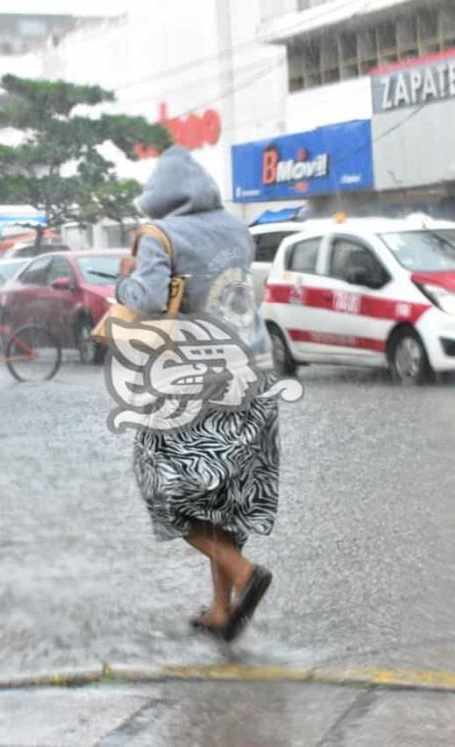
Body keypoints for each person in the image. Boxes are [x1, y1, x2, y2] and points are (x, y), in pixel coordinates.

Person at [116, 146, 277, 642]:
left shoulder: (158, 235)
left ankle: (243, 571)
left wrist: (126, 279)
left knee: (167, 492)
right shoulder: (235, 228)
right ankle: (220, 610)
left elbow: (143, 300)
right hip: (254, 375)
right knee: (227, 499)